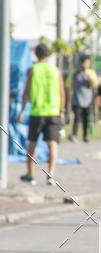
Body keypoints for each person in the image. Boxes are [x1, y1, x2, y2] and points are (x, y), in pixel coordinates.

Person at [18, 43, 66, 186]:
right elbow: (62, 92)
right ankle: (50, 175)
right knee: (53, 144)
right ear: (48, 55)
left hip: (37, 112)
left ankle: (30, 175)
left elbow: (26, 92)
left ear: (36, 55)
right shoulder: (55, 71)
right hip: (53, 112)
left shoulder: (32, 70)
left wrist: (22, 110)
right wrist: (62, 110)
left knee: (32, 144)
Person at [69, 55, 96, 143]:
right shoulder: (75, 73)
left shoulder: (91, 73)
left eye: (88, 63)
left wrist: (87, 74)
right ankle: (74, 135)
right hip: (77, 100)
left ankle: (85, 136)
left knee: (86, 119)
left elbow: (95, 84)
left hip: (87, 101)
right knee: (77, 119)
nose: (86, 65)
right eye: (85, 63)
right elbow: (68, 84)